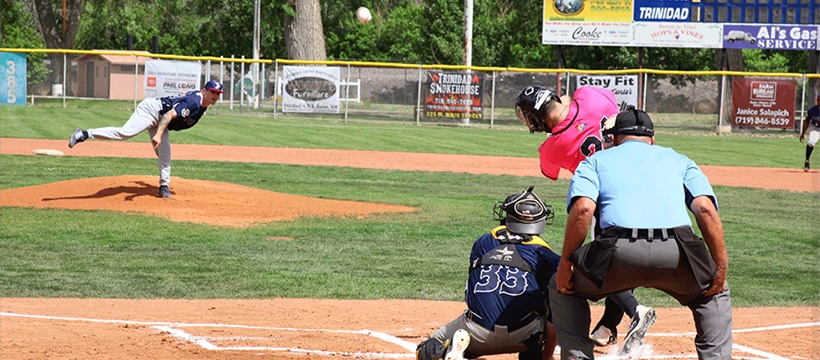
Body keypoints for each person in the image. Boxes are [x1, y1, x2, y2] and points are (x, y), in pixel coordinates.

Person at [549, 108, 733, 360]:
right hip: (677, 252)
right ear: (652, 140)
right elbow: (705, 209)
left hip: (617, 253)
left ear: (614, 139)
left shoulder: (595, 161)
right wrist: (720, 266)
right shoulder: (680, 160)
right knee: (714, 292)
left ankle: (577, 357)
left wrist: (566, 263)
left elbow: (583, 209)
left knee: (562, 286)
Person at [515, 85, 647, 350]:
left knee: (605, 264)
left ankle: (636, 311)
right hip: (641, 177)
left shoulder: (551, 147)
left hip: (606, 199)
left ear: (537, 116)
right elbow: (606, 107)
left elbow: (549, 172)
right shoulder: (589, 95)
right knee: (620, 259)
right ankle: (608, 325)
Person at [415, 186, 561, 360]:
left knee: (427, 349)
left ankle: (454, 352)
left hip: (478, 332)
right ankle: (539, 355)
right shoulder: (545, 254)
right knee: (556, 298)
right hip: (526, 335)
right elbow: (555, 301)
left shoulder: (482, 243)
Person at [67, 80, 225, 198]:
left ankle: (163, 188)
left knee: (165, 154)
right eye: (213, 92)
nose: (215, 96)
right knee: (126, 133)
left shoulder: (201, 101)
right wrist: (158, 135)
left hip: (161, 118)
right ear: (204, 91)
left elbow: (186, 96)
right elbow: (169, 115)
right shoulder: (194, 103)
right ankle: (84, 134)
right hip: (152, 111)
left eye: (218, 94)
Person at [799, 94, 820, 172]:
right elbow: (807, 121)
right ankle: (807, 161)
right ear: (817, 101)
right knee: (811, 142)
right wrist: (803, 133)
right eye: (819, 100)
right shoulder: (812, 110)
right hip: (816, 129)